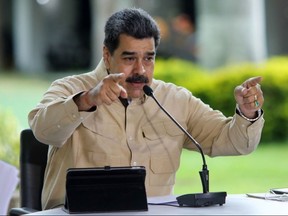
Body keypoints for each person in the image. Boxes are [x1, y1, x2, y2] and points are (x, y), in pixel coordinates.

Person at [28, 8, 265, 210]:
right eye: (129, 58)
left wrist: (247, 113)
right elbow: (43, 130)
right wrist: (87, 100)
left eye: (149, 58)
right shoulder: (71, 88)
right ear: (107, 55)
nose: (140, 70)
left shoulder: (175, 100)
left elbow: (233, 142)